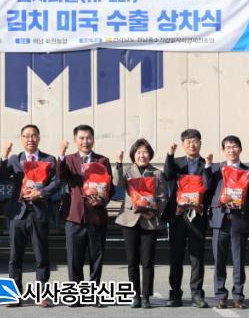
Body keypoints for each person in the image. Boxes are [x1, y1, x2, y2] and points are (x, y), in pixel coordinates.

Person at [0, 124, 60, 307]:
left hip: (40, 212)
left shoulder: (49, 159)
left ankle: (42, 294)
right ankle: (14, 295)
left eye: (33, 135)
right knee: (15, 256)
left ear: (38, 138)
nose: (30, 139)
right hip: (18, 213)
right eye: (26, 136)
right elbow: (1, 175)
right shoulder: (15, 159)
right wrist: (4, 156)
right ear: (21, 139)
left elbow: (56, 182)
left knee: (41, 255)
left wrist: (41, 193)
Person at [57, 124, 113, 307]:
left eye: (88, 137)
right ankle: (75, 295)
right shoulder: (68, 159)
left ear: (93, 140)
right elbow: (60, 175)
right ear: (76, 140)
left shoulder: (102, 161)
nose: (85, 141)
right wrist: (61, 154)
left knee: (96, 258)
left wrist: (102, 200)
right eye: (81, 138)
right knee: (74, 259)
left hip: (96, 216)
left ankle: (94, 295)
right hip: (74, 216)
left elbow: (110, 188)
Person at [114, 139, 167, 309]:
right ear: (133, 155)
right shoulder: (127, 171)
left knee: (148, 260)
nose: (142, 155)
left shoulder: (157, 173)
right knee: (132, 261)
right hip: (129, 219)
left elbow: (163, 197)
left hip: (150, 220)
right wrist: (119, 162)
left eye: (145, 152)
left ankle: (145, 296)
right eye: (138, 152)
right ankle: (134, 295)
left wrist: (154, 211)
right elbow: (117, 183)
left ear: (150, 155)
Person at [162, 128, 211, 308]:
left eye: (195, 141)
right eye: (188, 141)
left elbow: (210, 187)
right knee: (176, 256)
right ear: (183, 144)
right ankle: (175, 294)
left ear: (200, 144)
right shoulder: (176, 162)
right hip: (178, 216)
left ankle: (197, 294)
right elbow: (168, 175)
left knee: (197, 257)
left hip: (198, 215)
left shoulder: (207, 163)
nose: (192, 144)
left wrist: (208, 168)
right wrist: (170, 154)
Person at [207, 135, 249, 309]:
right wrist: (207, 165)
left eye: (234, 146)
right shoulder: (215, 169)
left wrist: (242, 203)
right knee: (219, 261)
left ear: (240, 149)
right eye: (227, 147)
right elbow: (207, 187)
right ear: (223, 150)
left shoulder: (248, 171)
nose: (231, 150)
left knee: (239, 261)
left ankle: (238, 297)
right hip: (219, 220)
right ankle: (220, 295)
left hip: (239, 219)